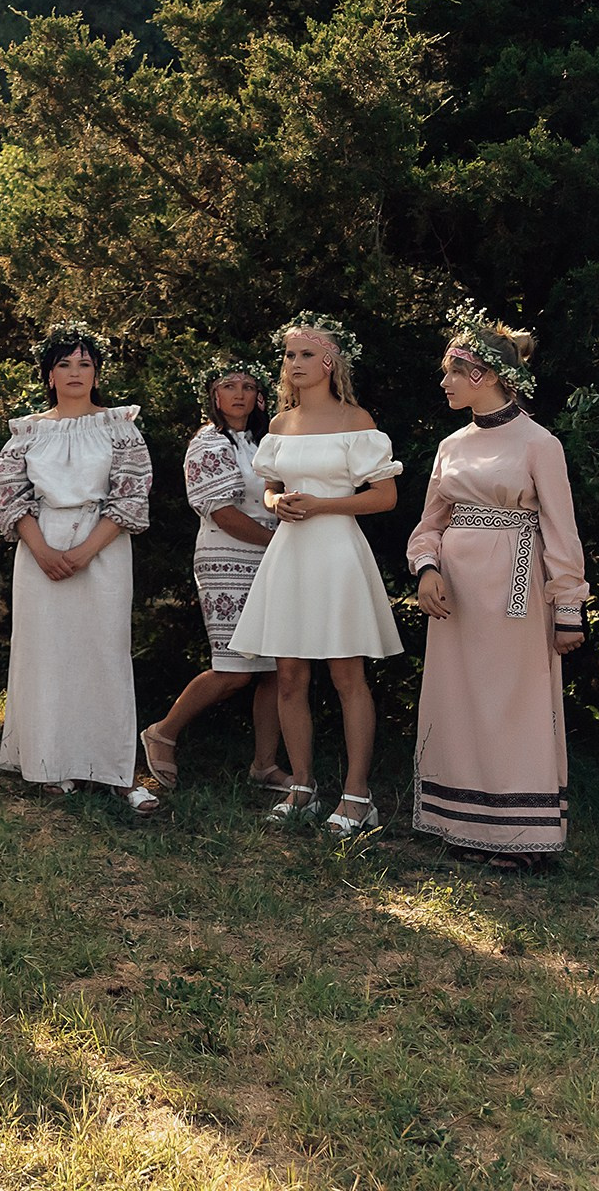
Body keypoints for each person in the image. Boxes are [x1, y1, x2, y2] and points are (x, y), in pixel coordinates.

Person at [407, 306, 586, 869]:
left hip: (514, 590)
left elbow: (561, 530)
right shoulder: (451, 445)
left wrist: (568, 606)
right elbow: (428, 525)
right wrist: (427, 569)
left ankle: (519, 835)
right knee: (456, 700)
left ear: (480, 374)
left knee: (512, 701)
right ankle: (463, 823)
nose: (444, 383)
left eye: (452, 373)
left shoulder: (539, 443)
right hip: (455, 594)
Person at [229, 313, 402, 834]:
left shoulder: (357, 421)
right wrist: (276, 499)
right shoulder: (279, 425)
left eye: (305, 354)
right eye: (288, 355)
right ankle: (302, 786)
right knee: (289, 675)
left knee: (347, 674)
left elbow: (385, 496)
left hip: (337, 553)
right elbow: (270, 486)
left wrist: (323, 505)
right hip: (291, 553)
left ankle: (357, 794)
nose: (294, 363)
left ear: (329, 361)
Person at [0, 323, 158, 812]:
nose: (75, 372)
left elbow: (131, 494)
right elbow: (10, 498)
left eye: (84, 363)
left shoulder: (119, 428)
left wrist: (86, 552)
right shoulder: (28, 432)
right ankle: (50, 763)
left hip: (103, 549)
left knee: (104, 654)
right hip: (39, 549)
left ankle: (114, 770)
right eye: (64, 364)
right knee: (46, 654)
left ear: (96, 372)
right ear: (48, 374)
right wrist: (42, 550)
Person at [140, 360, 284, 791]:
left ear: (260, 397)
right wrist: (277, 544)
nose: (238, 393)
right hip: (229, 557)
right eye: (228, 385)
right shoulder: (207, 443)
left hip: (274, 559)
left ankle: (265, 764)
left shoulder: (268, 441)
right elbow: (221, 511)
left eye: (248, 386)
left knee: (276, 667)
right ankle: (162, 732)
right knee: (235, 667)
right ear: (214, 396)